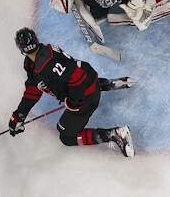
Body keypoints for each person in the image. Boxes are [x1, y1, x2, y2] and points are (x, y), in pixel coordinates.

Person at [10, 27, 135, 157]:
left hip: (87, 95)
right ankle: (108, 84)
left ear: (21, 49)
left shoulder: (44, 65)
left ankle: (115, 134)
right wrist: (20, 114)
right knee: (80, 78)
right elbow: (33, 89)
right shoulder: (38, 58)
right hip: (89, 76)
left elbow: (78, 77)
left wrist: (74, 102)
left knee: (66, 137)